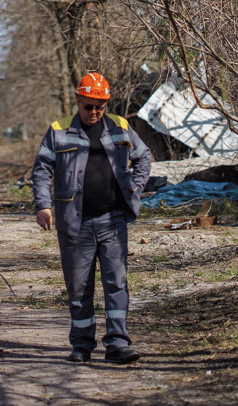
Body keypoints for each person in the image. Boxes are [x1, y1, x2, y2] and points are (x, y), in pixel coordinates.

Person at [32, 72, 152, 364]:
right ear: (78, 101)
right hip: (75, 224)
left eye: (100, 106)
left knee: (117, 283)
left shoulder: (121, 127)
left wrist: (133, 192)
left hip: (113, 221)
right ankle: (82, 344)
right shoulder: (59, 130)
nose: (95, 112)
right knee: (79, 286)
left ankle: (118, 344)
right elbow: (41, 169)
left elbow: (144, 157)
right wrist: (43, 205)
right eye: (89, 106)